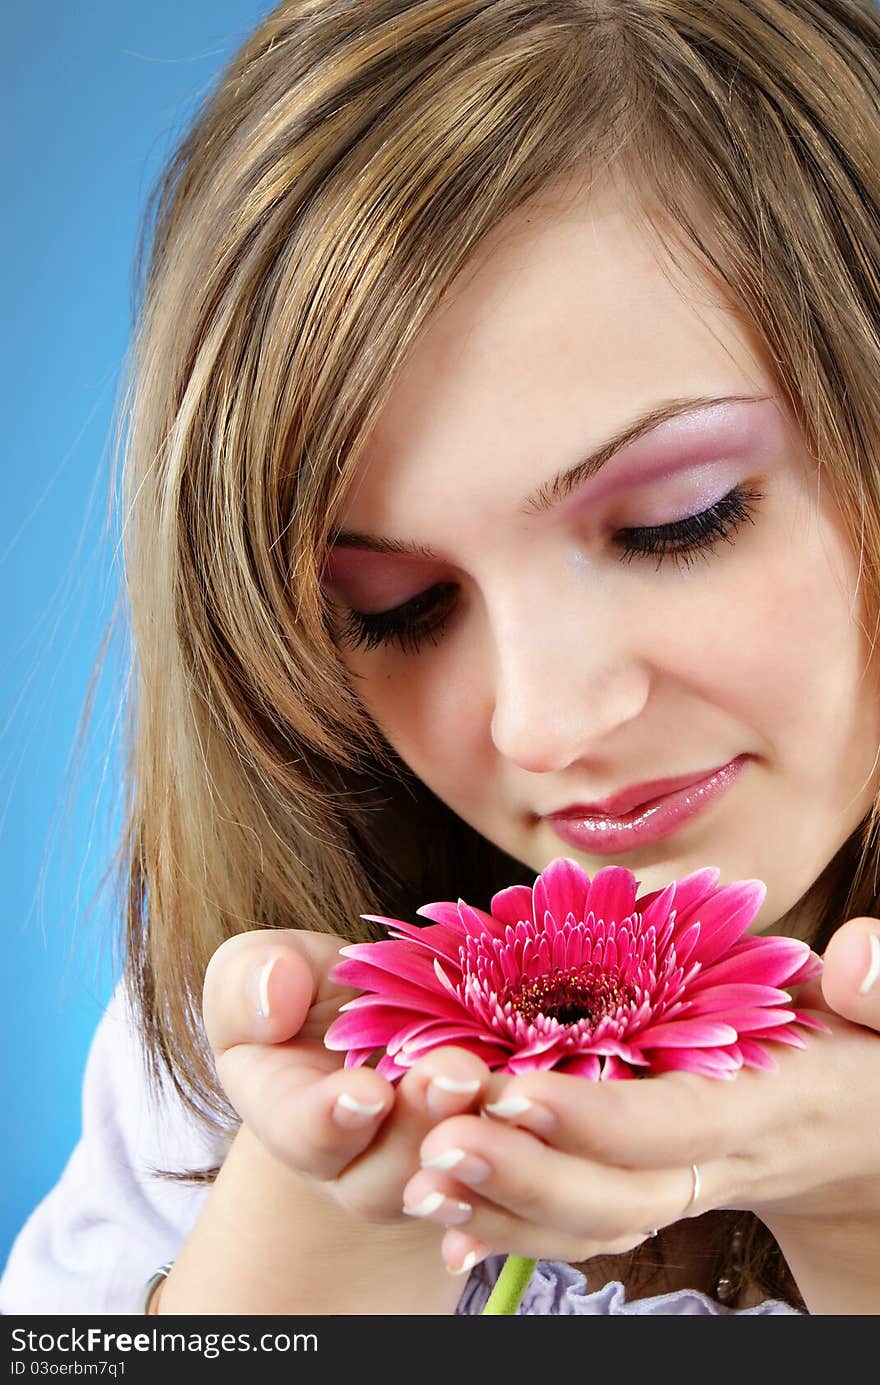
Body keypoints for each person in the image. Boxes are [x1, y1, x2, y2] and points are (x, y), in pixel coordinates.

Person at [3, 0, 880, 1317]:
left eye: (677, 520)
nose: (545, 723)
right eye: (399, 606)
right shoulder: (244, 1040)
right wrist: (331, 1223)